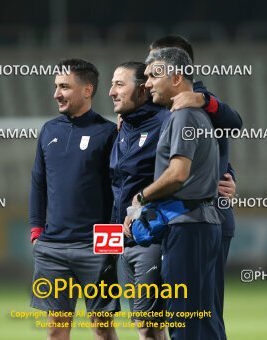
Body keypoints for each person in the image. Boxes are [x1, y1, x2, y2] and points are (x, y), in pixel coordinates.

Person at [150, 35, 242, 339]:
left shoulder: (197, 101)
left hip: (198, 216)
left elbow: (234, 123)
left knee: (196, 314)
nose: (149, 71)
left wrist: (204, 100)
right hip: (174, 218)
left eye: (158, 63)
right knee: (188, 314)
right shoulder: (160, 105)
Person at [134, 47, 222, 339]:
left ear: (176, 78)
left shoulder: (184, 116)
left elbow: (178, 174)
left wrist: (142, 197)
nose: (146, 83)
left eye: (153, 76)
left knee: (185, 322)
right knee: (203, 318)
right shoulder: (190, 114)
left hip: (188, 227)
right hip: (198, 225)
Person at [29, 58, 119, 340]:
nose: (57, 93)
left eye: (64, 87)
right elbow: (38, 183)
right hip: (53, 247)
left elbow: (120, 189)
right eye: (56, 86)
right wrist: (36, 231)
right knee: (56, 329)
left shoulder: (108, 133)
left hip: (97, 247)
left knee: (102, 328)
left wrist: (112, 241)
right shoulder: (49, 131)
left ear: (87, 89)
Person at [108, 61, 169, 340]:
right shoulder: (124, 128)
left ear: (143, 89)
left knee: (150, 325)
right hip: (122, 241)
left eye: (120, 84)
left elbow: (201, 150)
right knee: (144, 326)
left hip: (151, 238)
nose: (111, 91)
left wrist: (226, 174)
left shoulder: (166, 122)